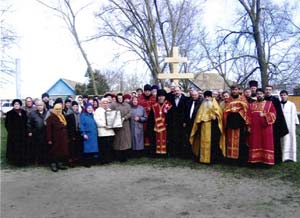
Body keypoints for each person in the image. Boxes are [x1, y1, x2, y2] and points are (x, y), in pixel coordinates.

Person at [189, 91, 226, 164]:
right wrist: (199, 121)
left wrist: (216, 117)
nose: (207, 98)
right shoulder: (203, 104)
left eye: (208, 97)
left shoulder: (215, 104)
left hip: (212, 127)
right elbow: (198, 115)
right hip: (203, 126)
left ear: (211, 97)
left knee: (212, 143)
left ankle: (211, 159)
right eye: (205, 97)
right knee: (201, 143)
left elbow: (219, 114)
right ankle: (202, 158)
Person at [248, 89, 276, 165]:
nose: (259, 95)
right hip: (254, 129)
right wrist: (248, 126)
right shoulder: (251, 105)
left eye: (261, 93)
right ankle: (255, 161)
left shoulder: (269, 104)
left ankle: (267, 161)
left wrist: (265, 115)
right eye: (257, 94)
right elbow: (248, 116)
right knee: (255, 143)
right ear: (256, 95)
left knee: (266, 143)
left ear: (263, 94)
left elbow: (274, 115)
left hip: (266, 129)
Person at [223, 85, 250, 164]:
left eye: (235, 90)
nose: (234, 91)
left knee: (240, 141)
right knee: (230, 141)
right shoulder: (229, 99)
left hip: (239, 123)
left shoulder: (243, 99)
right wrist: (230, 110)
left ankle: (240, 160)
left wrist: (237, 111)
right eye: (233, 90)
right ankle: (231, 158)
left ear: (239, 90)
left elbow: (246, 110)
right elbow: (225, 110)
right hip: (230, 123)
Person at [264, 85, 289, 164]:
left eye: (269, 90)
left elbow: (279, 113)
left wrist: (279, 124)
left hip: (274, 125)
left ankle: (276, 159)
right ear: (265, 90)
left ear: (271, 91)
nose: (268, 91)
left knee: (275, 142)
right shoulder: (262, 99)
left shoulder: (275, 100)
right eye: (266, 89)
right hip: (264, 125)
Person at [147, 89, 172, 155]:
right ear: (157, 97)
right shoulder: (154, 106)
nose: (161, 98)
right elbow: (150, 119)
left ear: (165, 97)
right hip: (156, 127)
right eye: (159, 96)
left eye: (162, 96)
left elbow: (172, 117)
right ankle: (157, 152)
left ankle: (166, 152)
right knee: (155, 139)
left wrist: (167, 123)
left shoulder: (168, 105)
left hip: (166, 127)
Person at [46, 102, 69, 172]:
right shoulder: (50, 117)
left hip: (62, 138)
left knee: (61, 151)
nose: (58, 110)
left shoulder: (62, 116)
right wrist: (49, 139)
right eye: (57, 109)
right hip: (54, 138)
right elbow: (48, 129)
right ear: (54, 109)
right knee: (54, 151)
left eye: (60, 109)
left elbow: (64, 125)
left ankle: (59, 164)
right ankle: (53, 165)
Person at [5, 99, 28, 166]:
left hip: (23, 133)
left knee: (23, 147)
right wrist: (12, 132)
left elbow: (26, 122)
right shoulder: (9, 113)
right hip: (14, 134)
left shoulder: (23, 112)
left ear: (20, 105)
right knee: (15, 148)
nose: (16, 105)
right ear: (13, 105)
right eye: (15, 104)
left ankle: (23, 161)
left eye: (18, 104)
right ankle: (15, 162)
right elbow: (7, 124)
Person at [110, 93, 132, 162]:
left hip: (125, 125)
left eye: (121, 98)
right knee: (118, 142)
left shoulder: (127, 105)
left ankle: (125, 157)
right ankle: (118, 157)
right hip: (117, 126)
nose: (120, 99)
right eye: (118, 98)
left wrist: (124, 118)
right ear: (117, 98)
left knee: (125, 141)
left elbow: (130, 113)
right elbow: (110, 113)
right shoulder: (113, 105)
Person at [168, 86, 188, 157]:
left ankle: (181, 153)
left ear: (181, 90)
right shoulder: (171, 99)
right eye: (175, 91)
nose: (176, 92)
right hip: (173, 121)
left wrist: (185, 121)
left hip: (182, 122)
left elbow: (187, 111)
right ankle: (174, 153)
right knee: (173, 137)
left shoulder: (185, 99)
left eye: (178, 90)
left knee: (181, 137)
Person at [280, 90, 299, 162]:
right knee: (282, 140)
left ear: (287, 95)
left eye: (284, 95)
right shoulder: (278, 104)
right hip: (281, 125)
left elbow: (294, 115)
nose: (283, 96)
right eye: (281, 95)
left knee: (290, 140)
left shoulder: (291, 104)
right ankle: (282, 156)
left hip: (290, 124)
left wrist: (296, 123)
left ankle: (290, 157)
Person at [94, 98, 115, 164]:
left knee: (109, 146)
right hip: (102, 131)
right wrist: (104, 125)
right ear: (101, 104)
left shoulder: (110, 110)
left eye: (107, 103)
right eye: (104, 103)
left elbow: (113, 120)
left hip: (110, 132)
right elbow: (97, 121)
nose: (105, 104)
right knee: (103, 147)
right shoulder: (97, 111)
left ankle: (109, 159)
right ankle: (103, 160)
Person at [27, 100, 48, 164]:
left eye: (41, 105)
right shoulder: (32, 113)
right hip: (36, 133)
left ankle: (44, 160)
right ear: (36, 106)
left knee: (44, 147)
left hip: (45, 133)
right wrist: (30, 131)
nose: (39, 107)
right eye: (38, 105)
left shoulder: (47, 113)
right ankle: (36, 160)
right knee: (36, 147)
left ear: (43, 106)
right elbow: (29, 123)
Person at [183, 90, 202, 158]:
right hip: (188, 123)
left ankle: (196, 153)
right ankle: (188, 153)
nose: (194, 96)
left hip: (196, 123)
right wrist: (185, 121)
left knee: (196, 138)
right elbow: (185, 112)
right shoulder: (188, 102)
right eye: (193, 95)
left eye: (195, 95)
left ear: (198, 95)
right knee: (188, 138)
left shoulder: (201, 103)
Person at [138, 84, 156, 152]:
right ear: (144, 91)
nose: (147, 92)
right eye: (146, 91)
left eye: (149, 91)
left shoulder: (154, 98)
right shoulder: (140, 98)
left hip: (151, 120)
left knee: (151, 134)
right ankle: (143, 149)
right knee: (143, 134)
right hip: (142, 120)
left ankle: (150, 149)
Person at [66, 101, 83, 167]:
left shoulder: (79, 114)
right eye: (73, 106)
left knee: (77, 147)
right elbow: (68, 126)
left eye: (76, 106)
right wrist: (71, 135)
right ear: (71, 107)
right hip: (72, 133)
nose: (75, 107)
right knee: (71, 148)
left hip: (78, 132)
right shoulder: (69, 115)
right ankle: (71, 161)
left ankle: (77, 160)